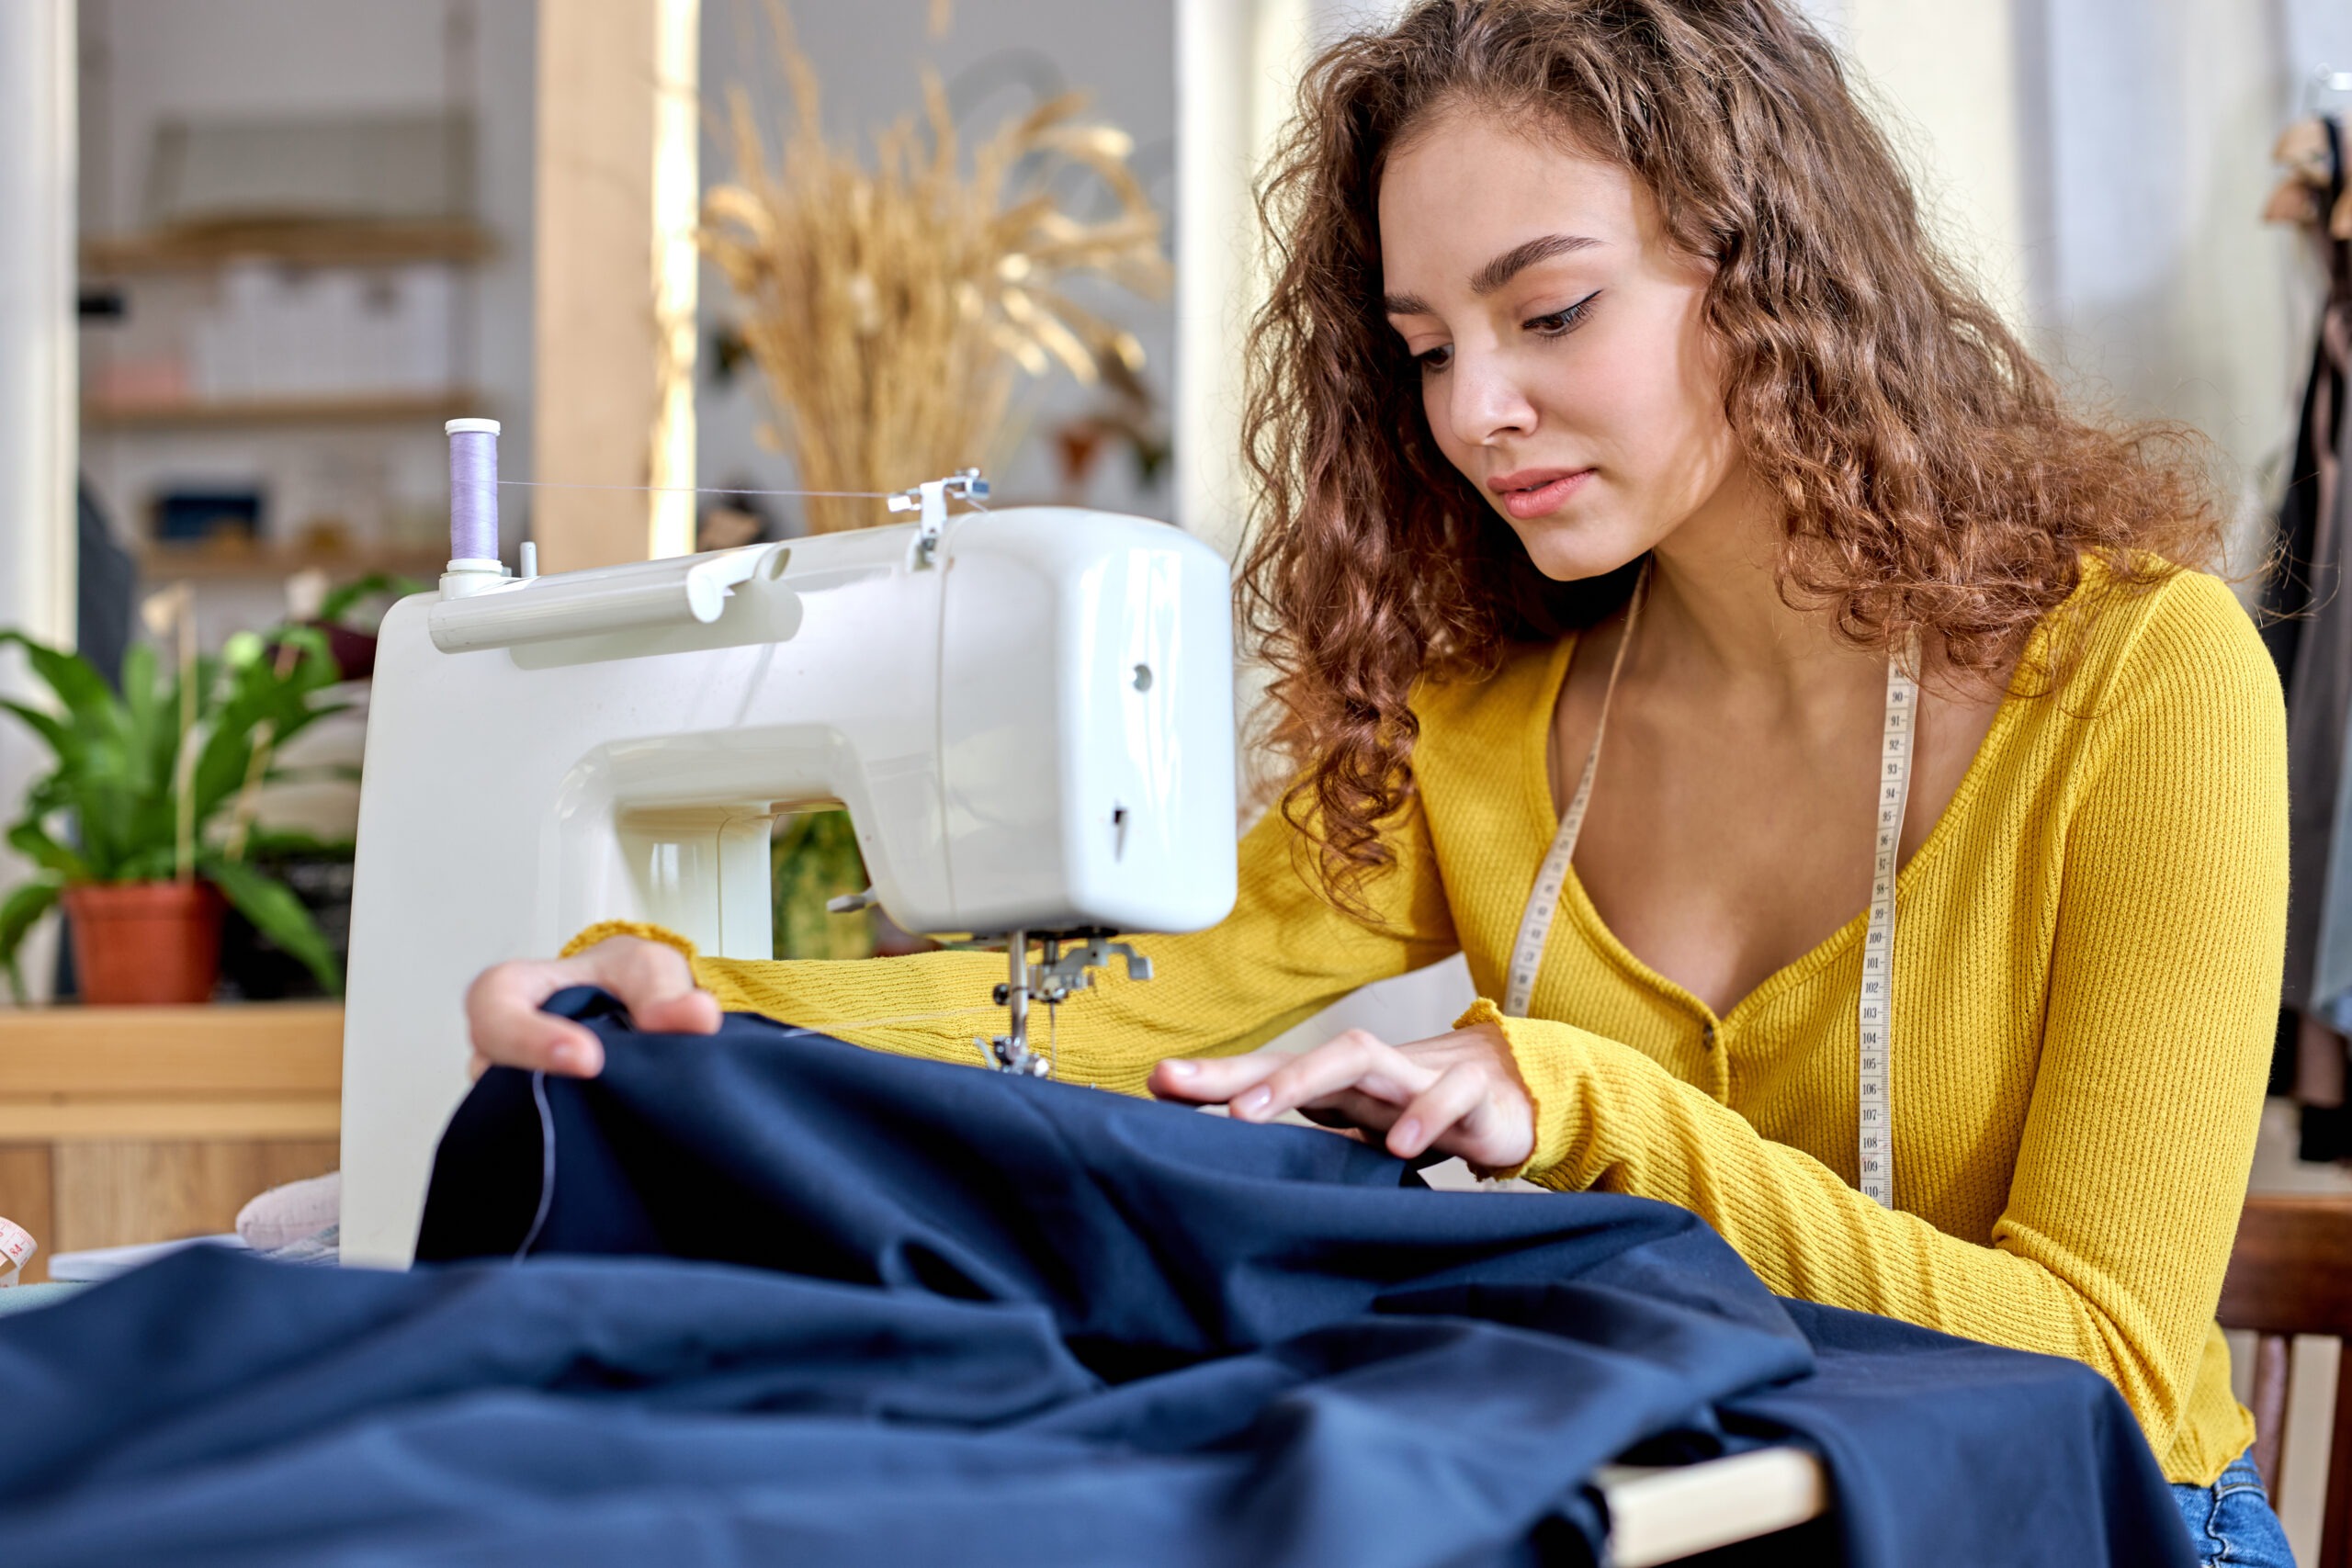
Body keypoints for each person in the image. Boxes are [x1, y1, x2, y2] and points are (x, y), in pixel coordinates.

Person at [467, 2, 2290, 1558]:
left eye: (1549, 312)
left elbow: (2108, 1373)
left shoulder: (2136, 681)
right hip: (1712, 1519)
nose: (1470, 407)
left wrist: (1577, 1104)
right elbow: (1114, 1009)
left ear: (1774, 277)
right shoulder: (1479, 728)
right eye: (1423, 349)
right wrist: (671, 991)